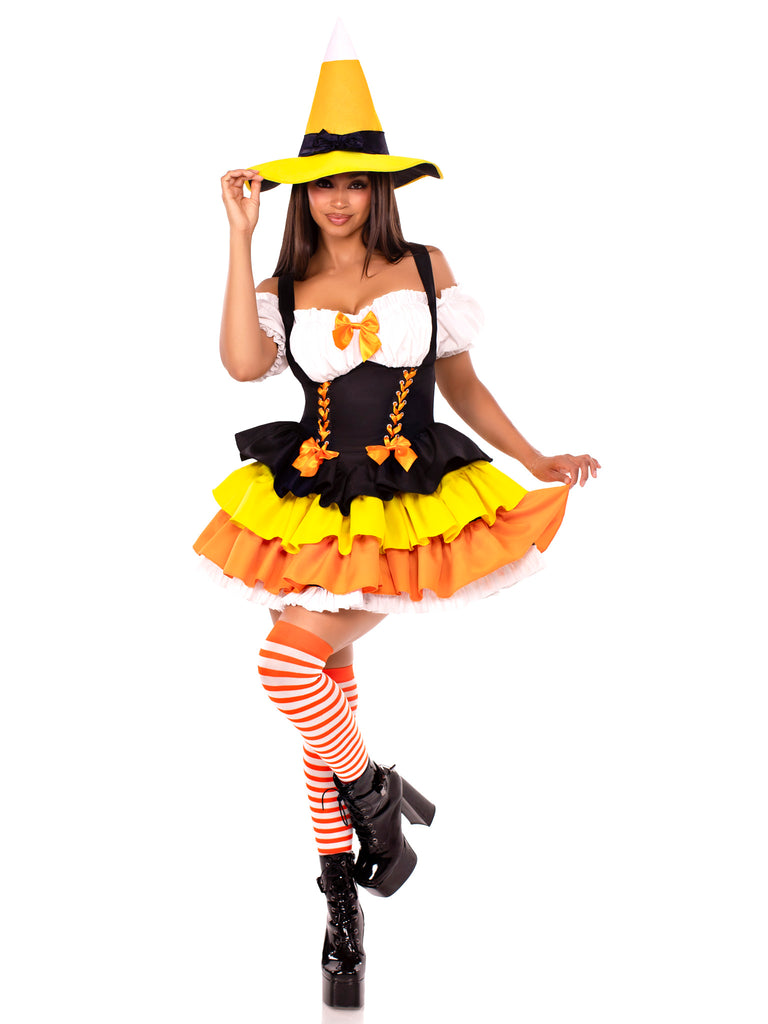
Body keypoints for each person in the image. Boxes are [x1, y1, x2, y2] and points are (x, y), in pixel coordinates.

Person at [193, 21, 599, 1010]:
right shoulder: (288, 283)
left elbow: (461, 383)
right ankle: (346, 894)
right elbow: (243, 366)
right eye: (320, 184)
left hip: (411, 500)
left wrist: (535, 456)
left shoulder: (424, 265)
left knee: (286, 667)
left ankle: (376, 803)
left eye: (354, 182)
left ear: (380, 189)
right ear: (301, 193)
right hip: (312, 499)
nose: (337, 198)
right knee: (320, 682)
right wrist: (239, 236)